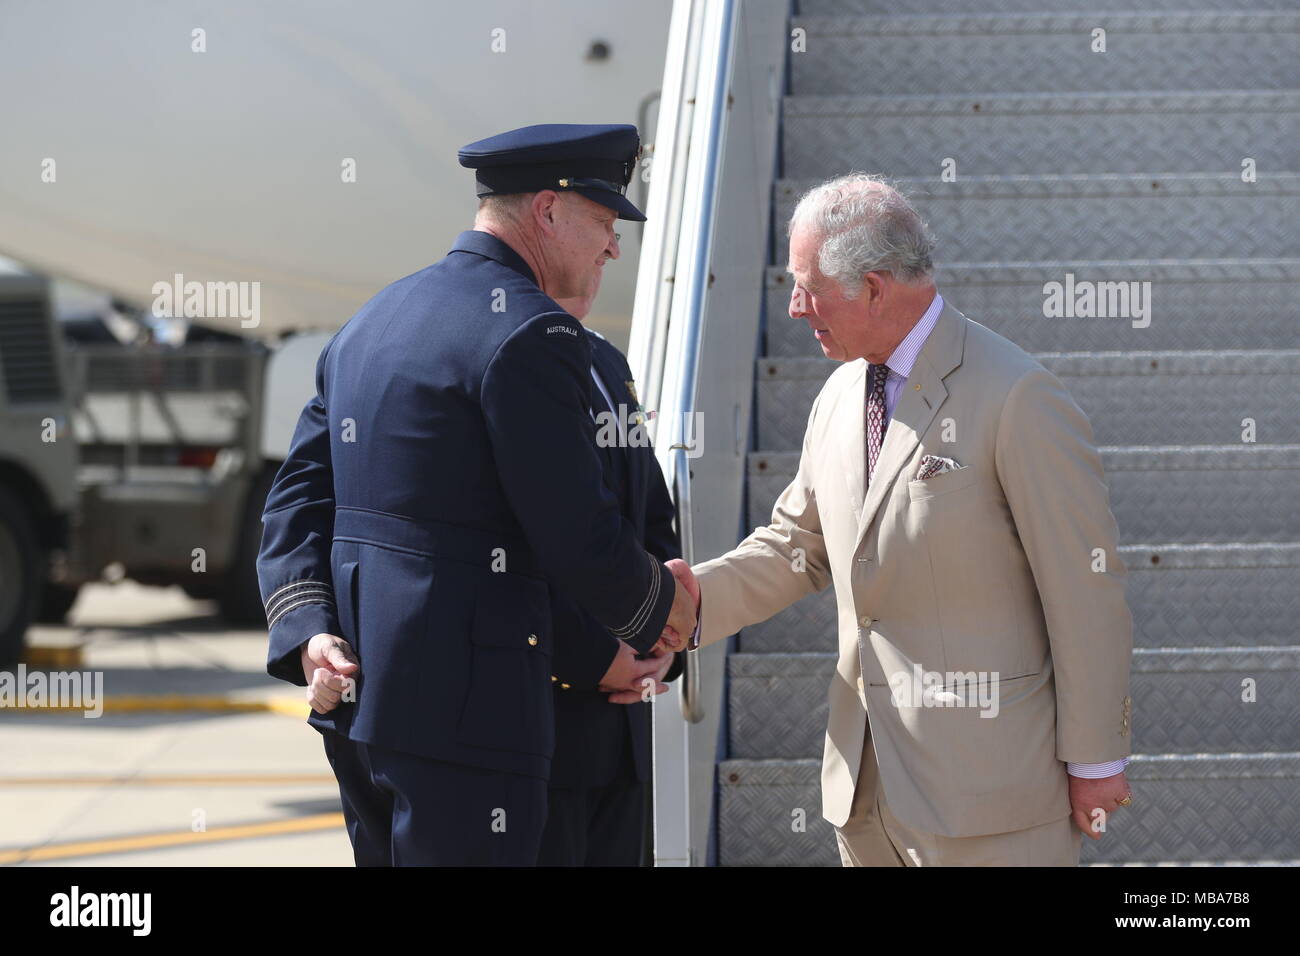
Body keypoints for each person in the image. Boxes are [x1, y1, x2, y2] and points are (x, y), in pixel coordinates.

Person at [257, 123, 696, 866]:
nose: (614, 247)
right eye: (604, 222)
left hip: (502, 730)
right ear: (549, 213)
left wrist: (309, 628)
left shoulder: (378, 323)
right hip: (507, 726)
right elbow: (563, 532)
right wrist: (656, 626)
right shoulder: (526, 337)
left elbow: (644, 512)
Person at [670, 172, 1134, 866]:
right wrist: (688, 604)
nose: (796, 307)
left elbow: (1085, 588)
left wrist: (1095, 759)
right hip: (866, 794)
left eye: (808, 286)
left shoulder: (1018, 396)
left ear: (875, 287)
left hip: (992, 799)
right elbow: (801, 545)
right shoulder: (837, 396)